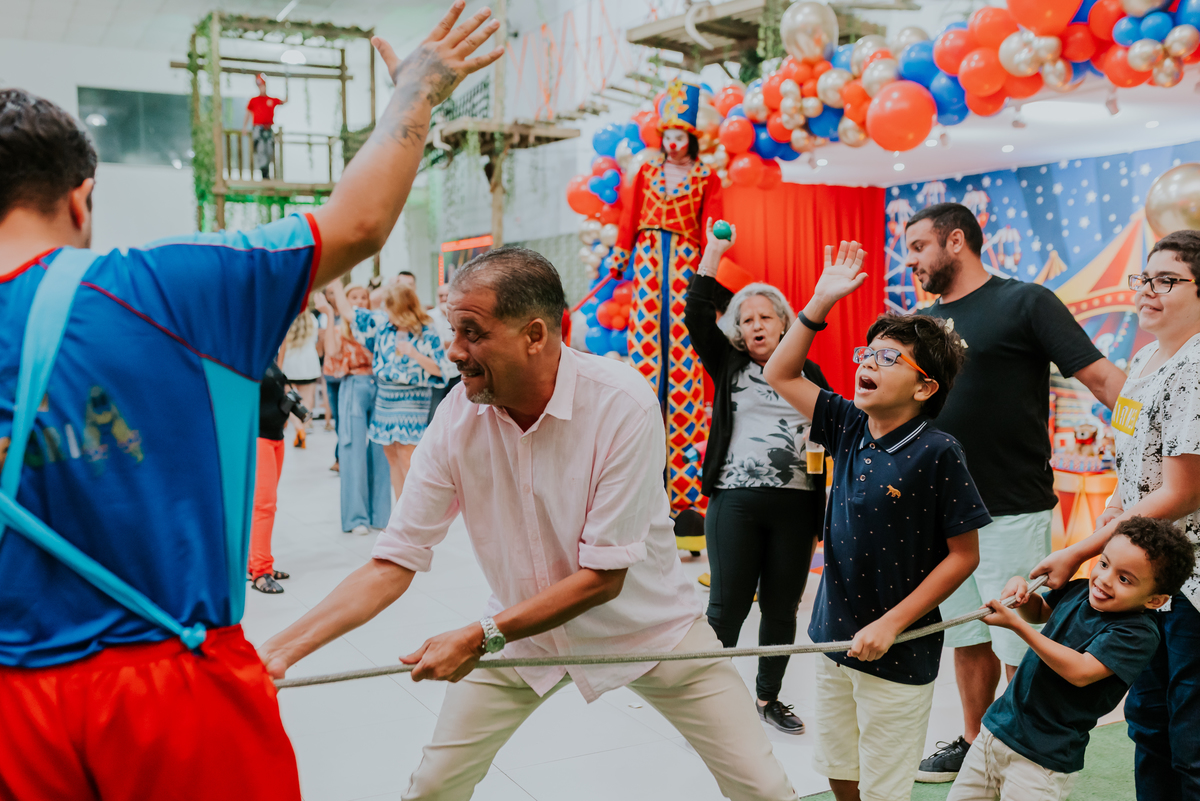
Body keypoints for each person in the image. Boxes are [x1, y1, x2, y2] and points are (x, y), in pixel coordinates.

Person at [0, 5, 503, 796]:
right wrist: (418, 90)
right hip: (170, 693)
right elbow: (359, 223)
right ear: (81, 199)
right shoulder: (163, 286)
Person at [259, 247, 801, 801]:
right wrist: (275, 652)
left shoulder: (622, 403)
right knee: (434, 788)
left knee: (764, 789)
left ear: (535, 334)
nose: (453, 350)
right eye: (453, 330)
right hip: (523, 637)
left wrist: (480, 635)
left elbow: (603, 579)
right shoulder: (456, 418)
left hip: (651, 631)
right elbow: (391, 562)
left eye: (472, 333)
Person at [902, 203, 1129, 782]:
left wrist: (1160, 430)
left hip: (1011, 507)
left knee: (1018, 639)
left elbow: (1101, 377)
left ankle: (1020, 751)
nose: (911, 261)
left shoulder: (1026, 301)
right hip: (943, 512)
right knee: (967, 633)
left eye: (919, 247)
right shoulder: (923, 324)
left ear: (956, 241)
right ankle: (973, 744)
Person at [764, 241, 986, 801]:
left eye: (890, 359)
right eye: (868, 353)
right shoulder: (847, 424)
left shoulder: (938, 451)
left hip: (901, 650)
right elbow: (780, 372)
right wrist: (819, 302)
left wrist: (892, 624)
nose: (867, 363)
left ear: (925, 387)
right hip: (832, 633)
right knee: (838, 758)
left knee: (886, 780)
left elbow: (965, 555)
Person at [1033, 230, 1200, 801]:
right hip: (1147, 581)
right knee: (1149, 723)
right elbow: (1131, 470)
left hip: (1191, 585)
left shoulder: (1197, 366)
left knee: (1192, 738)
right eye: (1145, 278)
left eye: (1167, 280)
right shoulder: (1147, 357)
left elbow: (1182, 491)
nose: (1147, 290)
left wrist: (1083, 550)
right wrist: (1107, 534)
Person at [685, 220, 830, 735]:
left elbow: (833, 433)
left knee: (781, 609)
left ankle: (768, 699)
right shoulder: (728, 363)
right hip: (736, 502)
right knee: (725, 610)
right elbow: (695, 312)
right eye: (747, 320)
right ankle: (708, 708)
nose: (757, 325)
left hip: (797, 506)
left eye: (766, 316)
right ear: (738, 332)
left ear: (786, 323)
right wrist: (713, 252)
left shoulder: (810, 373)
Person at [948, 516, 1194, 801]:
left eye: (1124, 579)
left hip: (1043, 756)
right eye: (1104, 563)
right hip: (997, 730)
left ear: (1155, 600)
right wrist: (1022, 594)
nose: (1104, 579)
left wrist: (1016, 626)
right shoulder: (1080, 590)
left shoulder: (1137, 633)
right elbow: (1040, 611)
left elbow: (1080, 671)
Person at [609, 78, 723, 523]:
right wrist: (621, 254)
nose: (673, 143)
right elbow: (629, 217)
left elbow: (713, 224)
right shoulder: (647, 173)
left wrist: (711, 264)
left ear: (690, 137)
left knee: (683, 364)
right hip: (648, 263)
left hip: (685, 264)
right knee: (644, 363)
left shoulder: (706, 176)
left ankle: (683, 496)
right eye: (668, 135)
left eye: (681, 135)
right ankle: (639, 486)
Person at [330, 280, 444, 502]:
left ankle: (415, 510)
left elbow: (441, 370)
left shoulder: (426, 330)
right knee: (391, 456)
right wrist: (336, 283)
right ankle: (401, 509)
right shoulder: (383, 325)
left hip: (412, 398)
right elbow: (349, 313)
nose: (385, 311)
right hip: (385, 398)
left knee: (408, 457)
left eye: (389, 307)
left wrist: (415, 354)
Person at [316, 284, 391, 536]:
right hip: (353, 383)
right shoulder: (341, 326)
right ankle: (356, 517)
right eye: (354, 297)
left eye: (363, 297)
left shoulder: (376, 323)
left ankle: (381, 515)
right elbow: (331, 352)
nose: (359, 301)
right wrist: (329, 314)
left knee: (382, 450)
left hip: (379, 384)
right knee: (352, 449)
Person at [250, 360, 299, 594]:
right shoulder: (248, 356)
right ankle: (261, 572)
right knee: (264, 505)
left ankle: (257, 562)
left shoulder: (270, 357)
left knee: (265, 504)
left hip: (276, 437)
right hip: (259, 438)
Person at [280, 305, 322, 448]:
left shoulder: (287, 317)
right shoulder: (312, 319)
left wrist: (279, 367)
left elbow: (283, 345)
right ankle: (303, 427)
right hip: (309, 364)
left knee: (289, 400)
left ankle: (298, 428)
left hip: (290, 364)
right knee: (307, 400)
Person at [426, 281, 461, 423]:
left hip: (457, 371)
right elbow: (431, 344)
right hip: (437, 373)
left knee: (457, 412)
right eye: (441, 295)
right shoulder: (429, 317)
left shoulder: (459, 314)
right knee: (434, 413)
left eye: (447, 295)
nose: (444, 298)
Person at [241, 73, 287, 181]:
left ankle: (267, 172)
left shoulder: (271, 100)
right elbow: (247, 114)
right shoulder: (254, 100)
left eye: (263, 85)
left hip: (268, 129)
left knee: (269, 151)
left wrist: (286, 84)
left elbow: (284, 101)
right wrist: (244, 127)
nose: (262, 88)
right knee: (261, 150)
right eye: (260, 86)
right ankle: (264, 174)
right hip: (258, 129)